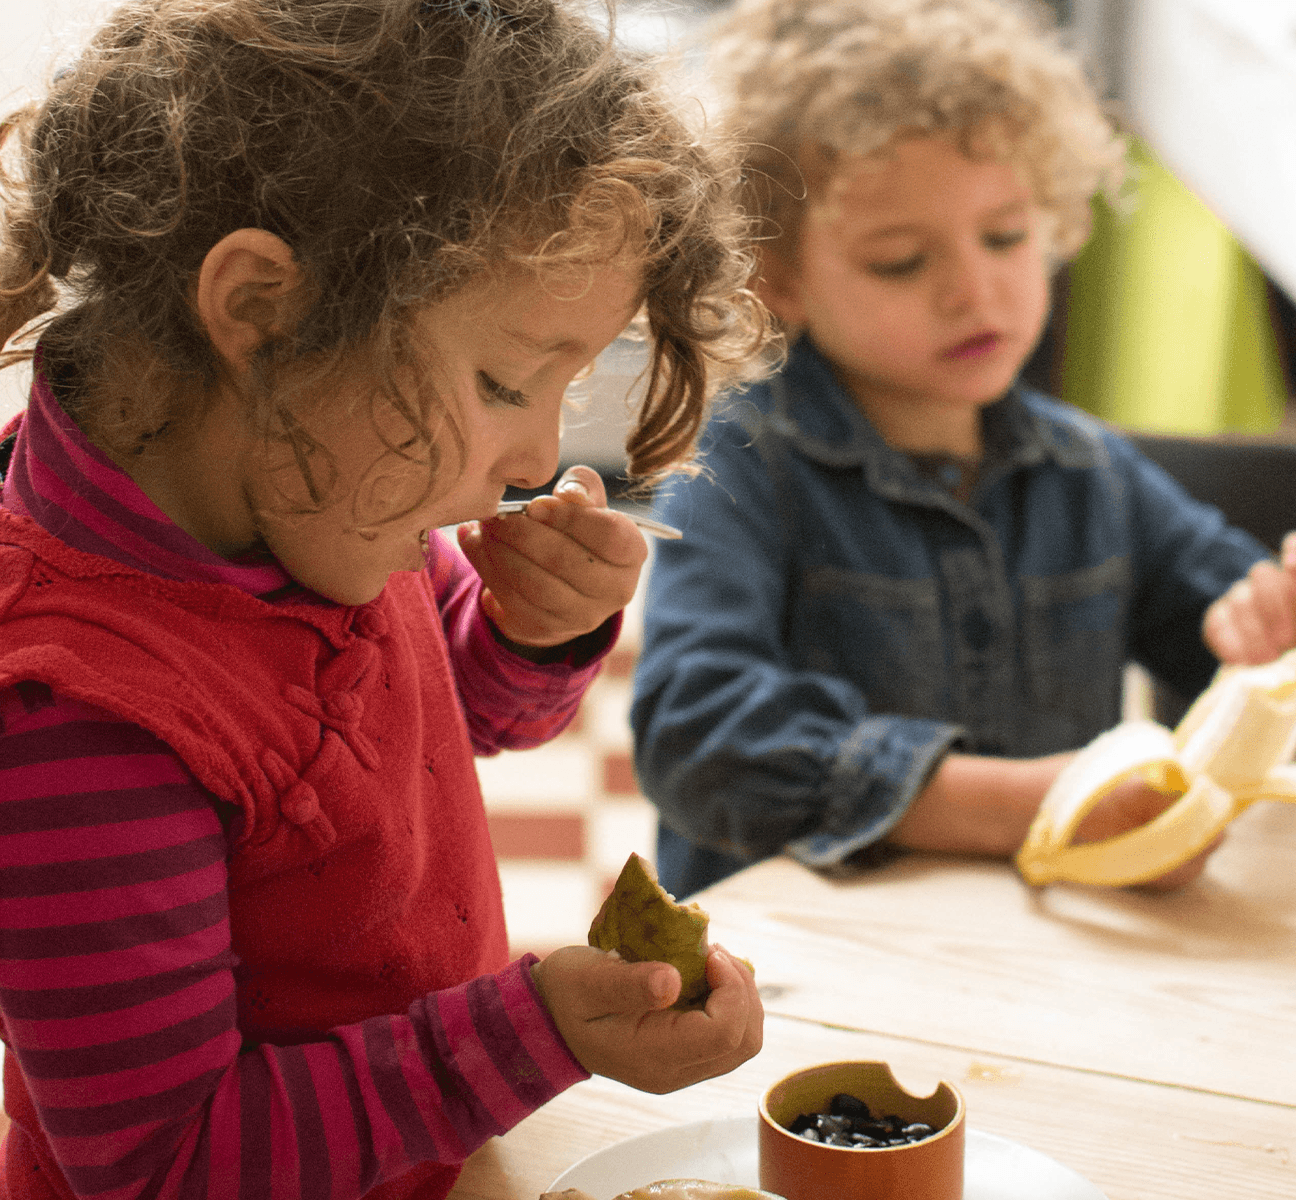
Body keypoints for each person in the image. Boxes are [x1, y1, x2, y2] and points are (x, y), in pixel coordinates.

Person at [0, 1, 768, 1197]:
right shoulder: (79, 723)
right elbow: (162, 1169)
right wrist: (531, 1036)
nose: (538, 457)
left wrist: (527, 629)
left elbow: (451, 715)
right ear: (261, 310)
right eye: (505, 379)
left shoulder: (309, 491)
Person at [630, 0, 1296, 900]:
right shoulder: (739, 465)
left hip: (1044, 975)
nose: (976, 291)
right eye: (900, 260)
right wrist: (1027, 804)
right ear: (778, 275)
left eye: (1005, 236)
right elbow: (698, 739)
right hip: (796, 982)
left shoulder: (1091, 474)